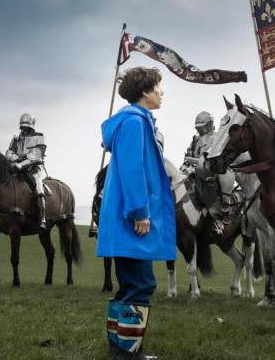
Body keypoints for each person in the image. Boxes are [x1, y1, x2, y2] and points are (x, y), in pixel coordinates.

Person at [98, 66, 176, 360]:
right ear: (145, 92)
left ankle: (119, 349)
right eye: (158, 86)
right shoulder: (134, 123)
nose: (161, 92)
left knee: (130, 284)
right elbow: (133, 171)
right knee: (142, 284)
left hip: (125, 218)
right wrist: (140, 213)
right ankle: (129, 354)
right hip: (132, 219)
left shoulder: (135, 121)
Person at [0, 113, 49, 232]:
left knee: (39, 190)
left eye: (26, 126)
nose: (24, 128)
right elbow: (9, 153)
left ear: (31, 126)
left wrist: (20, 163)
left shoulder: (39, 137)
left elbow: (36, 155)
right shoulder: (16, 138)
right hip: (15, 167)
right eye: (22, 126)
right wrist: (15, 160)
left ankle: (43, 220)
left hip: (33, 169)